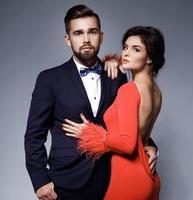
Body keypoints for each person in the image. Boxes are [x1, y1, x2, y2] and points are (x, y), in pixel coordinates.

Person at [24, 4, 158, 200]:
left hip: (112, 179)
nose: (86, 39)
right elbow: (34, 135)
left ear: (101, 36)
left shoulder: (117, 76)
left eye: (92, 32)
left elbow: (128, 122)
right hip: (65, 182)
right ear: (67, 40)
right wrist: (40, 180)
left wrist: (149, 144)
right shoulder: (49, 79)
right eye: (78, 33)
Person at [62, 26, 165, 199]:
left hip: (127, 178)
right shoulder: (156, 92)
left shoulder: (129, 90)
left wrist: (91, 134)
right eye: (125, 47)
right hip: (148, 175)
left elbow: (127, 143)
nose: (126, 54)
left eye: (135, 49)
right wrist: (153, 148)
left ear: (149, 58)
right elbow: (139, 134)